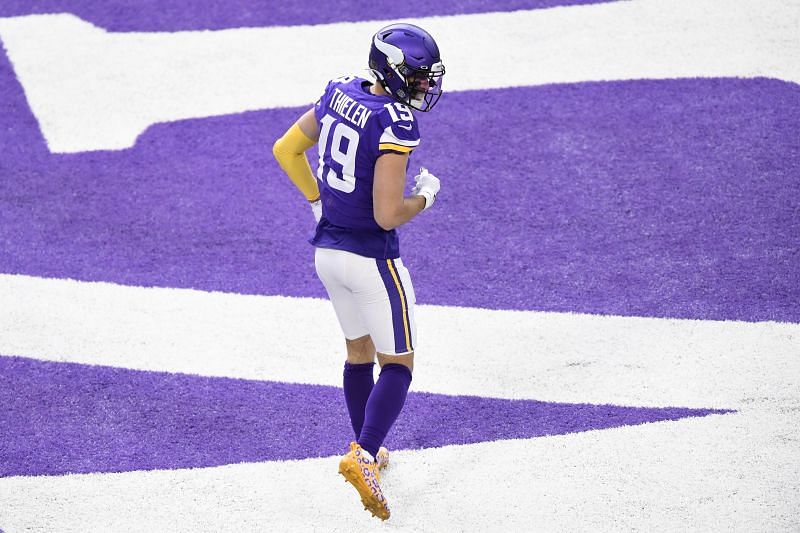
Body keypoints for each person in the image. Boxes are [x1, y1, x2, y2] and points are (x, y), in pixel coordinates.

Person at [272, 22, 445, 521]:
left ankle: (365, 447)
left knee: (357, 352)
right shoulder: (395, 122)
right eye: (416, 78)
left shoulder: (339, 93)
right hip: (372, 259)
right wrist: (426, 197)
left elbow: (286, 149)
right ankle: (364, 456)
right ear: (393, 73)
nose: (423, 88)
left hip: (327, 253)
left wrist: (315, 201)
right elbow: (388, 214)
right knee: (398, 364)